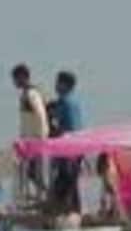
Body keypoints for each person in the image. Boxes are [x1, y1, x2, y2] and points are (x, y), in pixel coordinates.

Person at [47, 71, 84, 210]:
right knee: (70, 184)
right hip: (74, 149)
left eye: (58, 82)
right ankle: (73, 211)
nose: (55, 85)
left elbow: (68, 130)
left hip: (69, 150)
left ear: (65, 85)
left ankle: (68, 213)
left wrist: (53, 132)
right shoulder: (70, 102)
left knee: (65, 183)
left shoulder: (66, 102)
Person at [13, 63, 50, 196]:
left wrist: (41, 137)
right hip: (29, 139)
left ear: (23, 77)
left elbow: (40, 115)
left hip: (35, 139)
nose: (14, 82)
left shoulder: (31, 94)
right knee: (30, 171)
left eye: (16, 79)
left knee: (35, 171)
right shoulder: (26, 94)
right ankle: (37, 195)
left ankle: (43, 195)